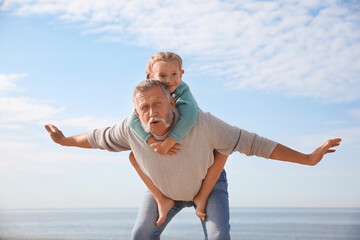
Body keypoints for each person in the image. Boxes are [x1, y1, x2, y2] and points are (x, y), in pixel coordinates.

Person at [45, 80, 341, 240]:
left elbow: (253, 143)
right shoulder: (129, 129)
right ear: (136, 111)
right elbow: (96, 138)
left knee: (218, 236)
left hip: (208, 188)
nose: (151, 112)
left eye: (157, 103)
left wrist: (306, 159)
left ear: (172, 102)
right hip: (164, 192)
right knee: (140, 235)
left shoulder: (203, 123)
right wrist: (64, 140)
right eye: (144, 107)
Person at [127, 51, 228, 225]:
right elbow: (132, 120)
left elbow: (189, 117)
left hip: (203, 161)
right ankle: (163, 200)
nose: (169, 80)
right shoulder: (149, 94)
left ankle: (202, 197)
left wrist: (168, 142)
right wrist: (153, 143)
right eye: (162, 75)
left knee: (221, 149)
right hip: (173, 173)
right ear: (150, 77)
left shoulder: (183, 91)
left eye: (174, 74)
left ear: (181, 74)